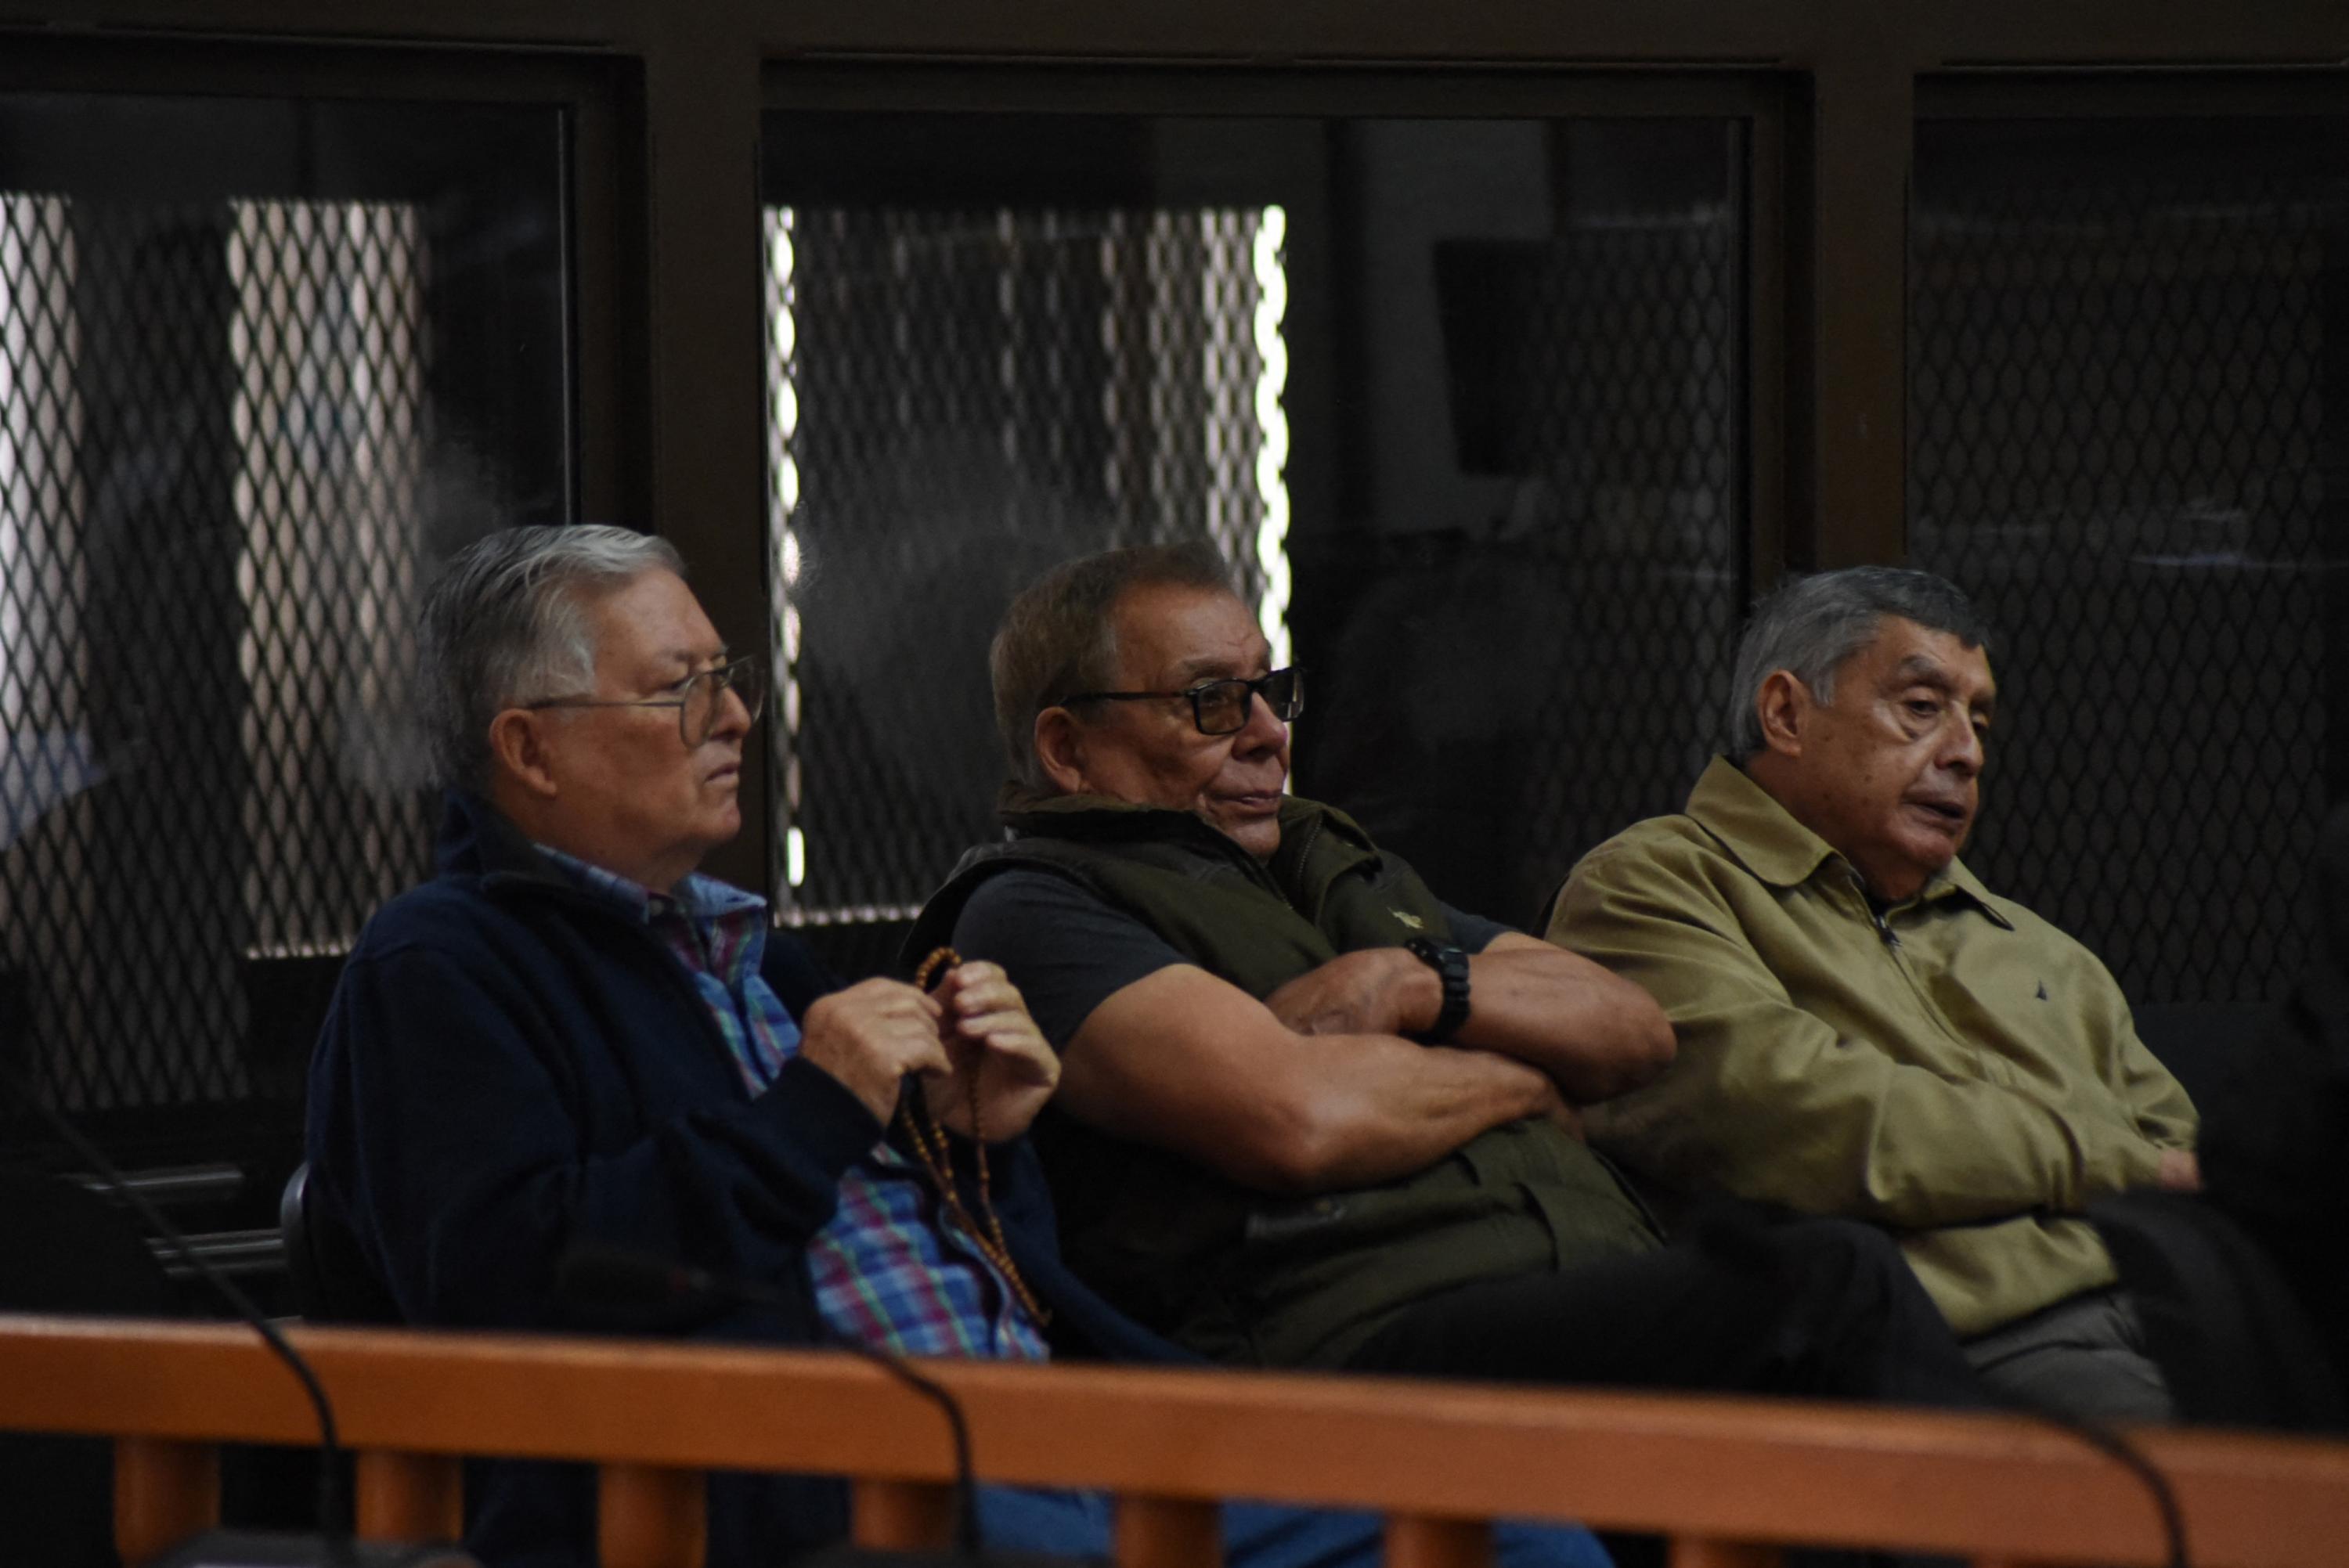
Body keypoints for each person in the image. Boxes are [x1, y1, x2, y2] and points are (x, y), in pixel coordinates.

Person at [306, 524, 1605, 1568]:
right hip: (835, 1489)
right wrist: (816, 1110)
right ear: (529, 747)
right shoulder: (444, 962)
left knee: (1514, 1521)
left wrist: (984, 1145)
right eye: (675, 688)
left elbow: (976, 1266)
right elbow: (505, 1285)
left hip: (1056, 1436)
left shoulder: (756, 956)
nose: (734, 718)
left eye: (730, 676)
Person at [915, 543, 1980, 1407]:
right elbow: (1299, 1114)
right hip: (1348, 1352)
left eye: (1272, 693)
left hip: (1561, 1282)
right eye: (1209, 703)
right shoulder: (1042, 904)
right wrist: (1522, 1084)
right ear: (1068, 747)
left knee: (1829, 1305)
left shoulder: (1332, 868)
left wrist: (1417, 983)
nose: (1269, 736)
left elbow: (1629, 1025)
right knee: (1828, 1288)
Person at [1548, 566, 2199, 1422]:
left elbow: (2187, 1156)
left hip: (2176, 1314)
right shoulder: (1655, 885)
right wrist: (2106, 1162)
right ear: (1786, 714)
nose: (1966, 750)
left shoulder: (2041, 949)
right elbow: (1794, 1112)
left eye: (1978, 718)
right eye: (1922, 708)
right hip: (1962, 1349)